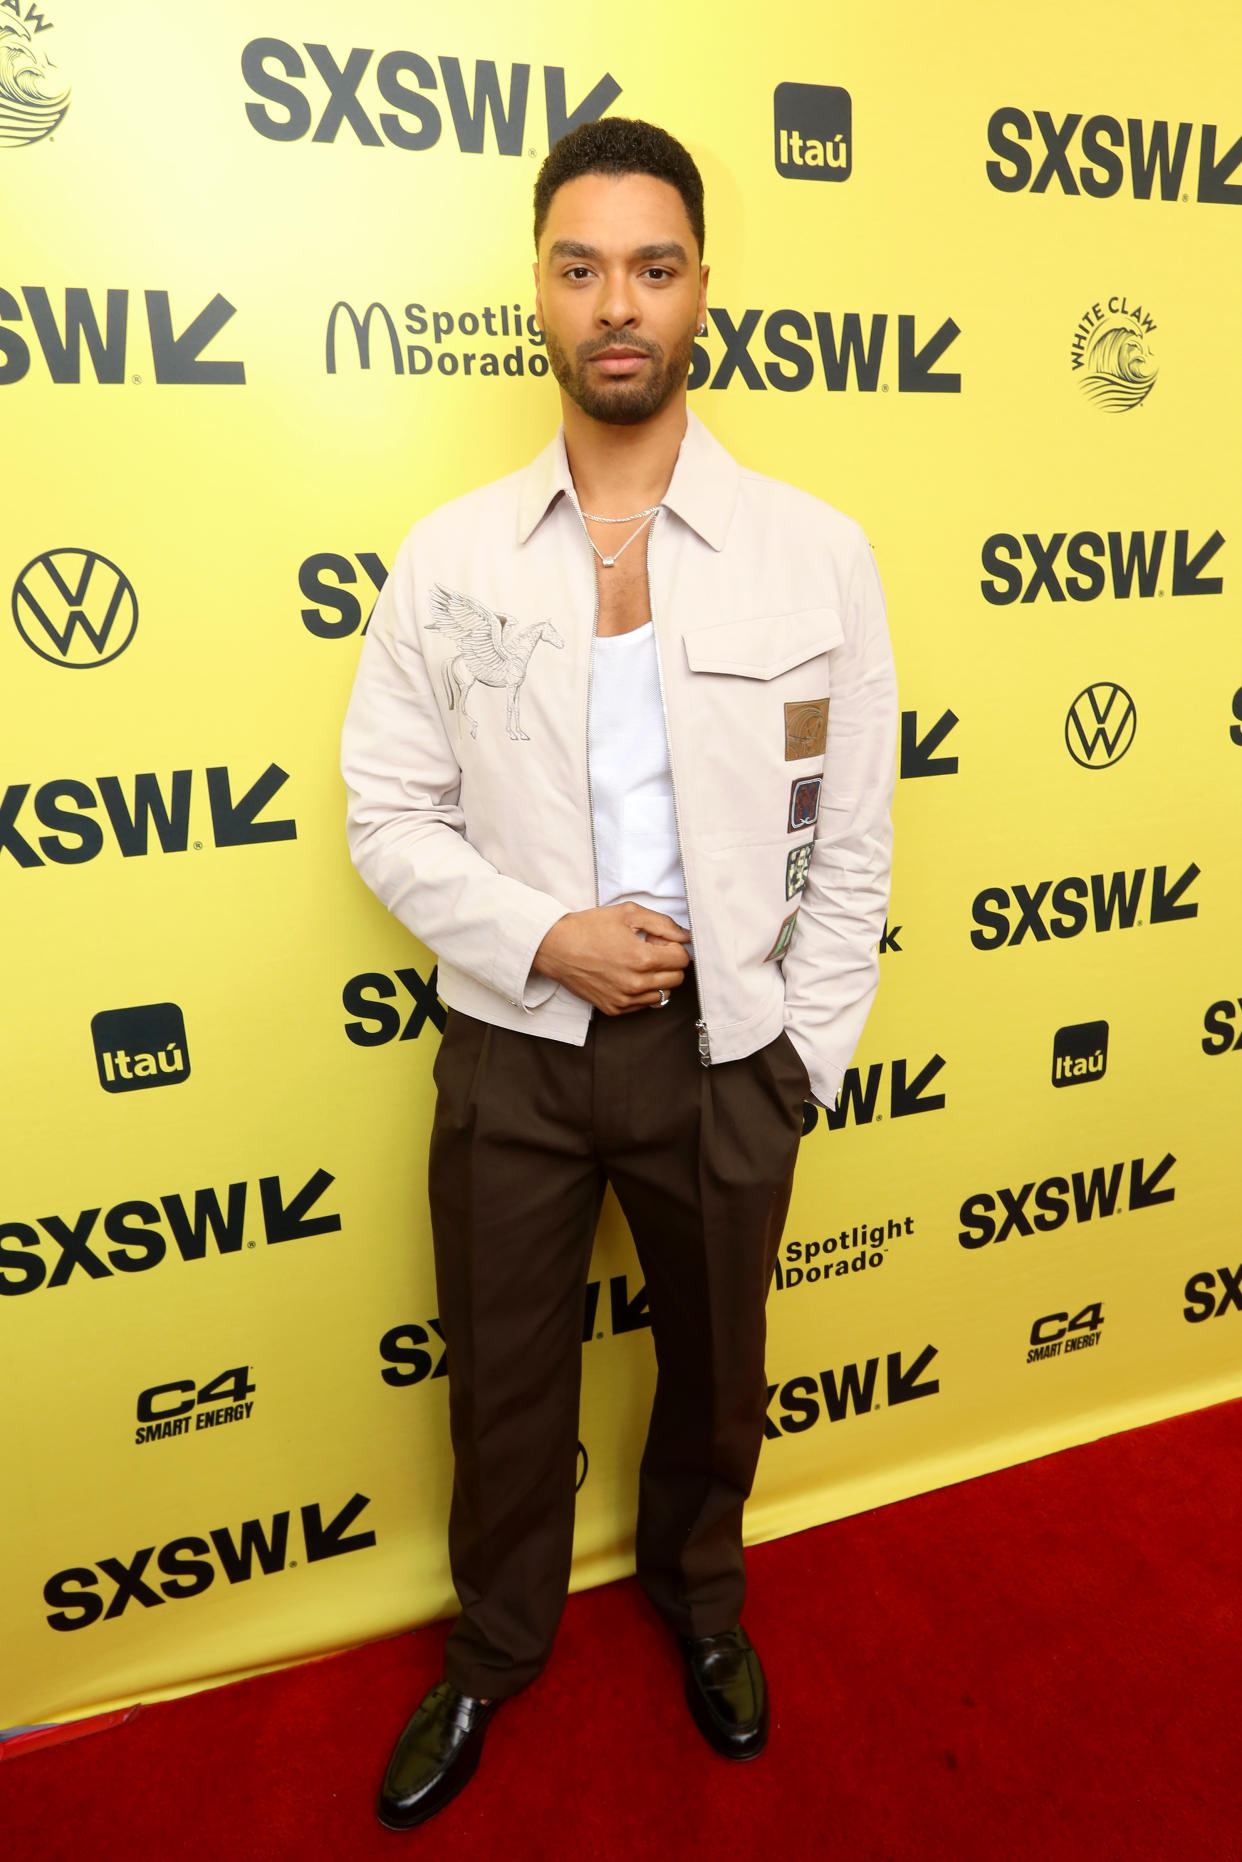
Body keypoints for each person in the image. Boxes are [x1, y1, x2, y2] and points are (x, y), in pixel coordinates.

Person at [340, 116, 897, 1831]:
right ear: (539, 292)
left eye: (652, 267)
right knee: (502, 1379)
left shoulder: (816, 550)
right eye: (580, 268)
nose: (617, 304)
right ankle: (495, 1649)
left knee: (717, 1379)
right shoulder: (447, 555)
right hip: (512, 1048)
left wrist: (796, 1052)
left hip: (727, 1059)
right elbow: (386, 812)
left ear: (702, 289)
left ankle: (702, 1605)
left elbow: (855, 834)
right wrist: (540, 936)